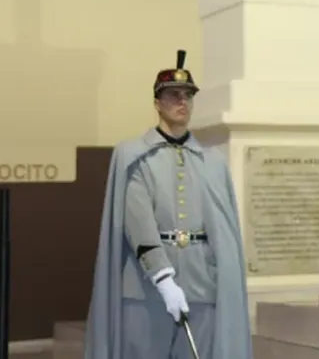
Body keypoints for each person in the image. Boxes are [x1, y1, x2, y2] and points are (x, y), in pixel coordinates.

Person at [84, 50, 252, 359]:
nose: (181, 102)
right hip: (146, 292)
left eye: (187, 95)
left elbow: (222, 234)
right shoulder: (134, 155)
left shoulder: (212, 161)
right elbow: (138, 224)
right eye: (172, 95)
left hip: (202, 289)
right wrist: (163, 279)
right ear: (157, 103)